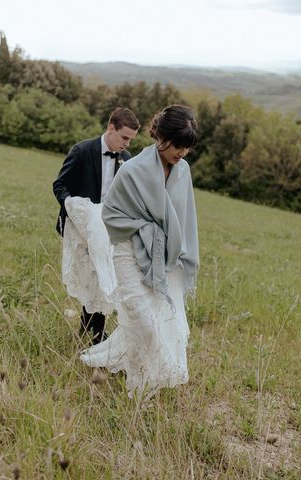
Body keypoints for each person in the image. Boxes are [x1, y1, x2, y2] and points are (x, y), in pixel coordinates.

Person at [80, 104, 199, 398]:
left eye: (187, 147)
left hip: (164, 259)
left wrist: (177, 252)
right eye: (178, 145)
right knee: (142, 319)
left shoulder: (182, 172)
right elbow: (111, 214)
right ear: (161, 137)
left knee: (155, 321)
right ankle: (154, 375)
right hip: (128, 251)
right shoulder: (133, 170)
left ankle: (141, 390)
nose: (182, 153)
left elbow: (185, 218)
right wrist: (146, 229)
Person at [53, 107, 140, 344]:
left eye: (131, 140)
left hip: (108, 230)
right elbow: (60, 185)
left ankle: (95, 332)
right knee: (89, 277)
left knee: (104, 276)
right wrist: (74, 207)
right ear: (111, 128)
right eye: (124, 138)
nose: (127, 144)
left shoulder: (126, 160)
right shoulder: (82, 150)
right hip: (81, 229)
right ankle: (90, 328)